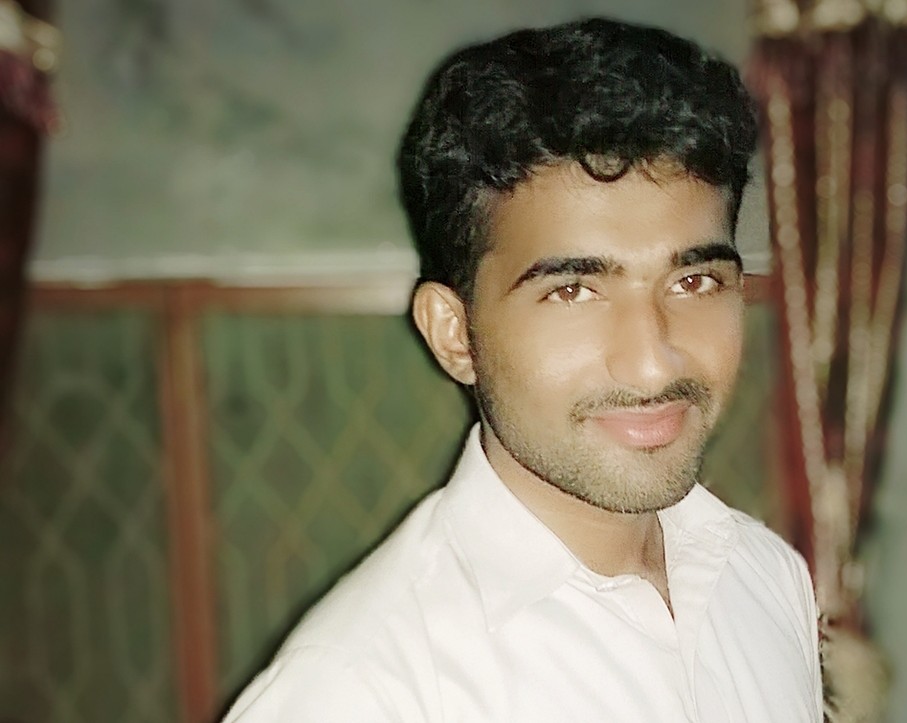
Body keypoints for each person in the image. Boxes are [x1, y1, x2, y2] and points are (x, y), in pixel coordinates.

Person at [224, 17, 822, 722]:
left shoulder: (765, 575)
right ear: (455, 335)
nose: (651, 360)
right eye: (573, 291)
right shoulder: (363, 692)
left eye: (693, 282)